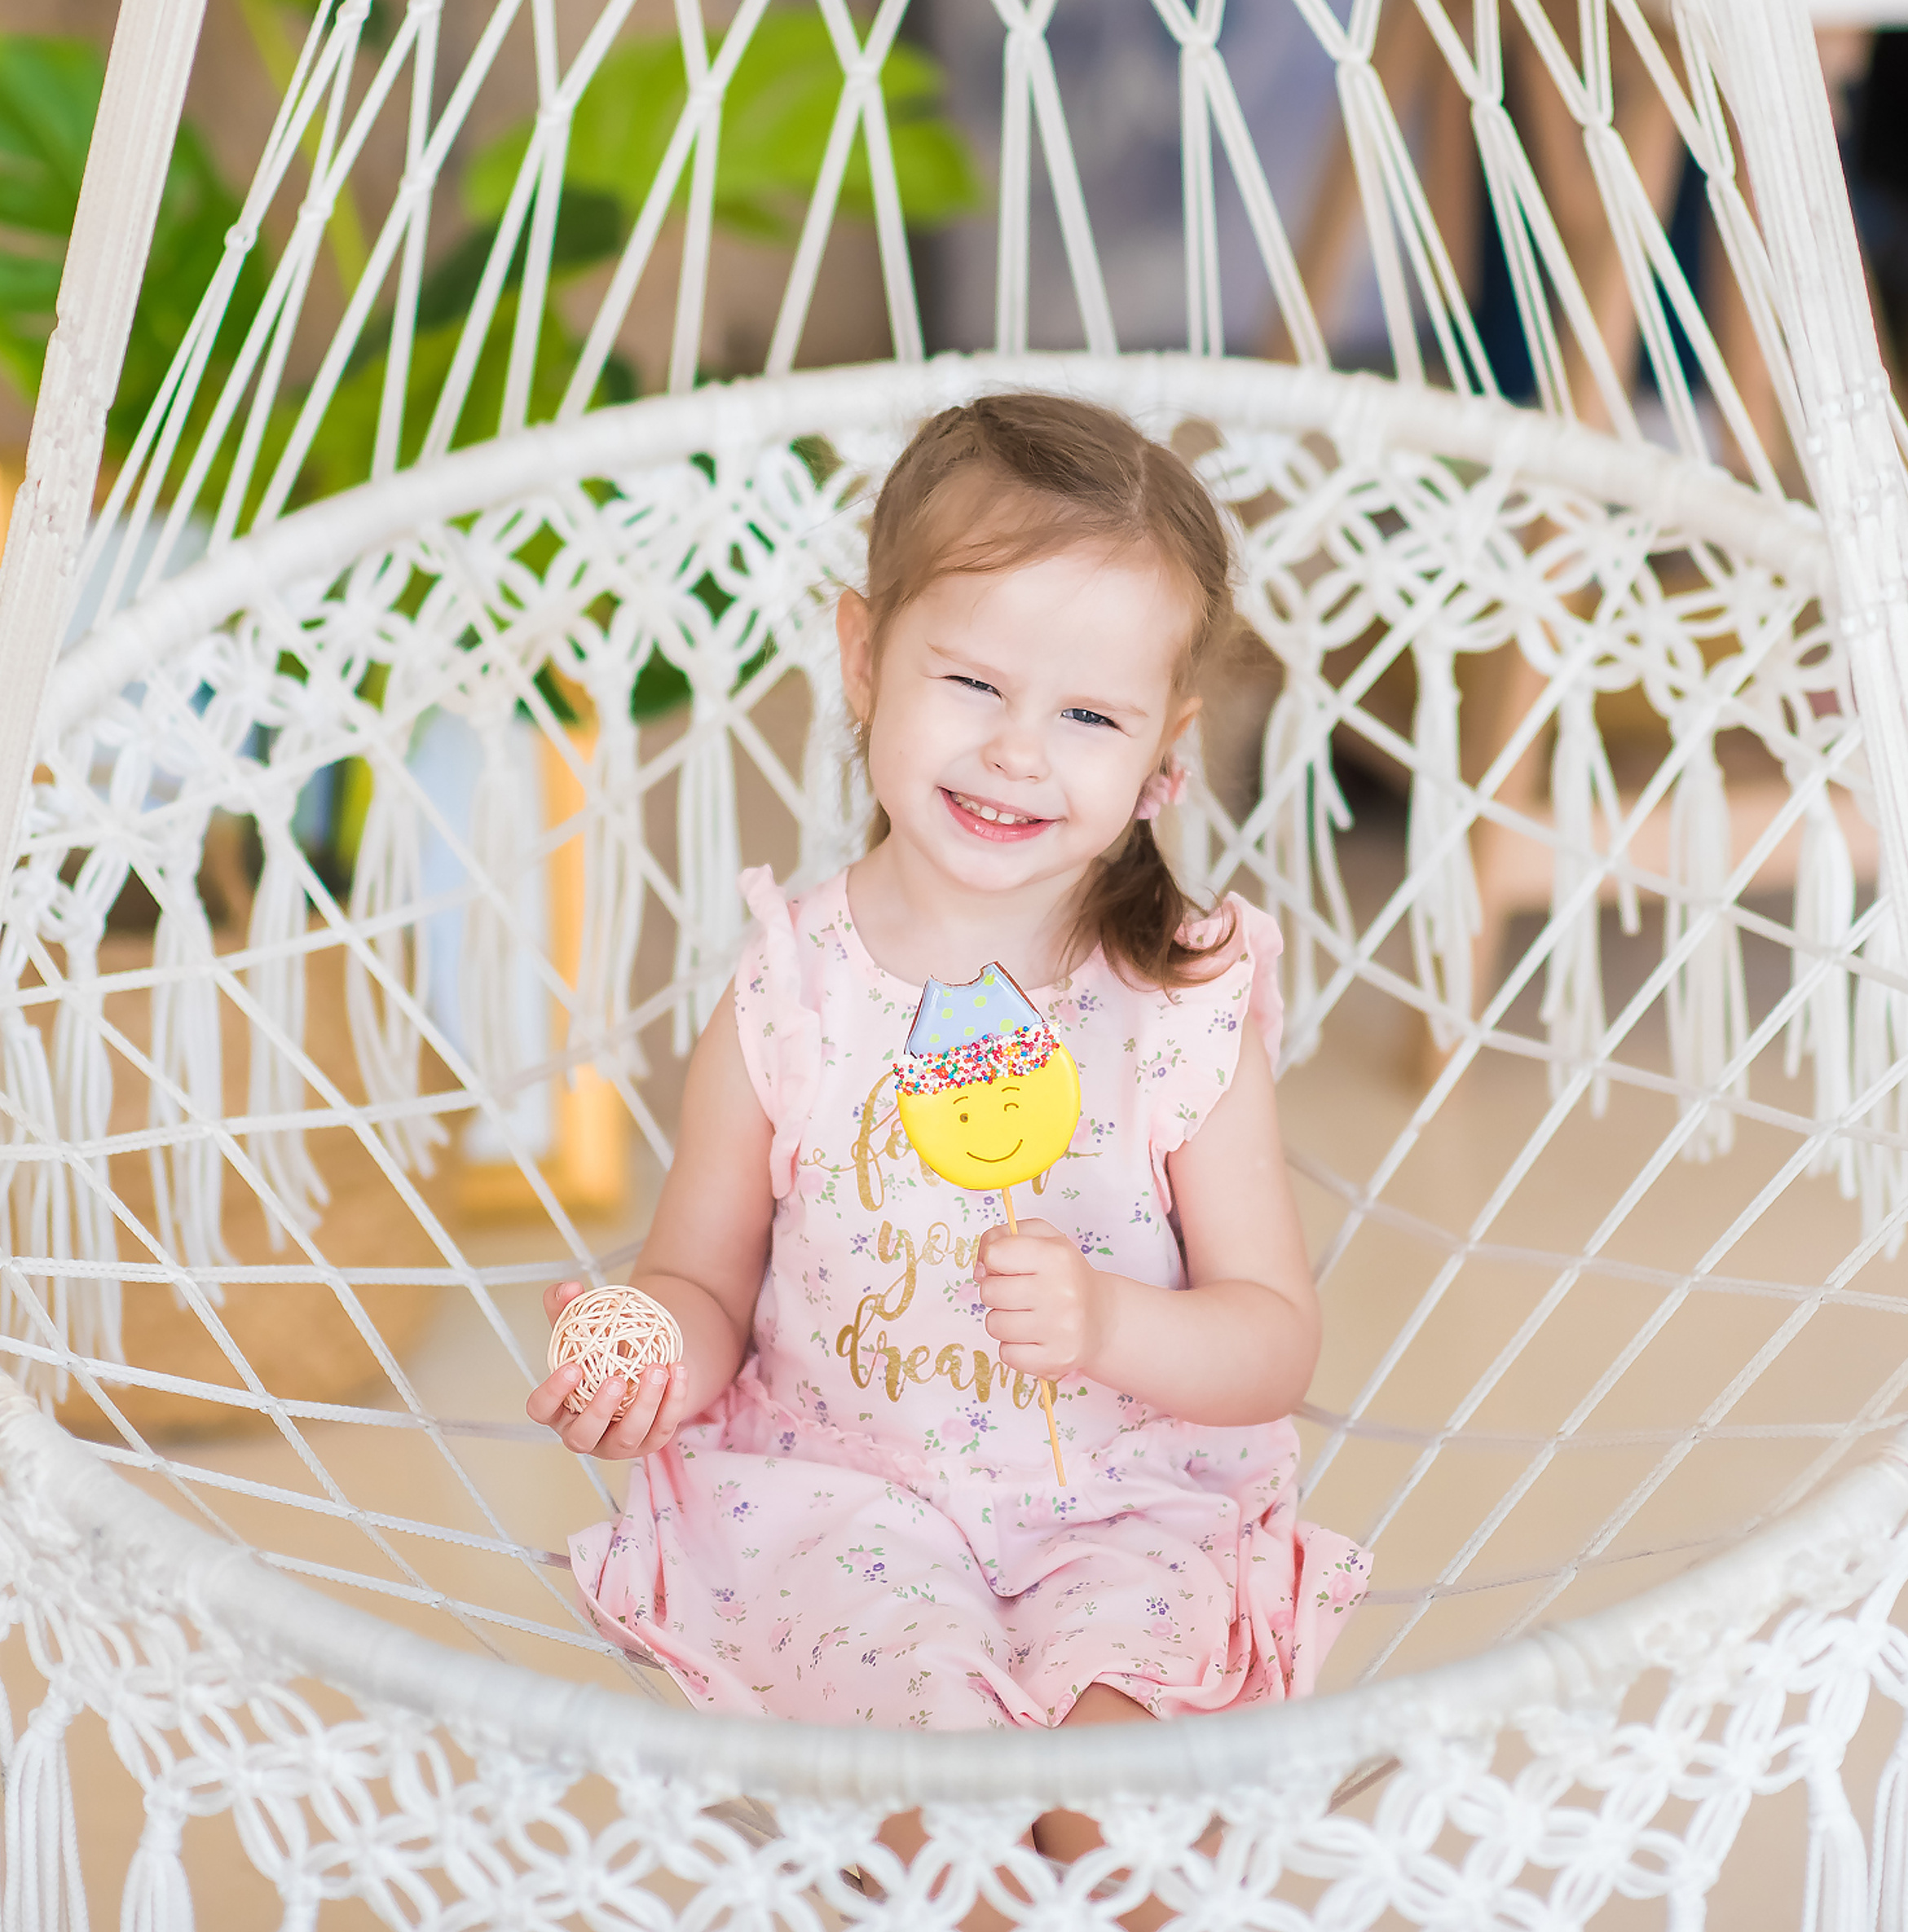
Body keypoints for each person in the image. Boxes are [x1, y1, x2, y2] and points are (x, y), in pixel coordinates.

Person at [528, 392, 1369, 1886]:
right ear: (864, 658)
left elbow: (1272, 1341)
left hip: (1126, 1512)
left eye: (1089, 717)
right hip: (848, 1511)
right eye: (972, 681)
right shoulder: (792, 990)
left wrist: (1109, 1324)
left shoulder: (1176, 1002)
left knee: (1122, 1843)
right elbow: (704, 1282)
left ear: (1163, 754)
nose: (1018, 753)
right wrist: (645, 1354)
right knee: (949, 1861)